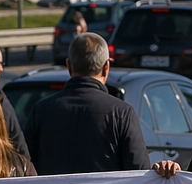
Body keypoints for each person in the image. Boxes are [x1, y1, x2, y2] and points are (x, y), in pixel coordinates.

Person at [24, 33, 149, 175]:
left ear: (69, 65)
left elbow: (25, 168)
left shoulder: (40, 110)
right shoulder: (122, 112)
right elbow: (139, 173)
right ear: (106, 67)